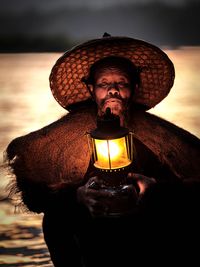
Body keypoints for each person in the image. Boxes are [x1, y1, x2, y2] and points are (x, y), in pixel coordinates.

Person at [5, 34, 200, 266]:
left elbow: (192, 190)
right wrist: (78, 197)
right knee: (55, 217)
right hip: (90, 235)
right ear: (91, 89)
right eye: (104, 84)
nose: (113, 90)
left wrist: (155, 193)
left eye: (122, 83)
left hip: (146, 235)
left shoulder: (159, 138)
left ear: (134, 88)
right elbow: (36, 199)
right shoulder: (66, 137)